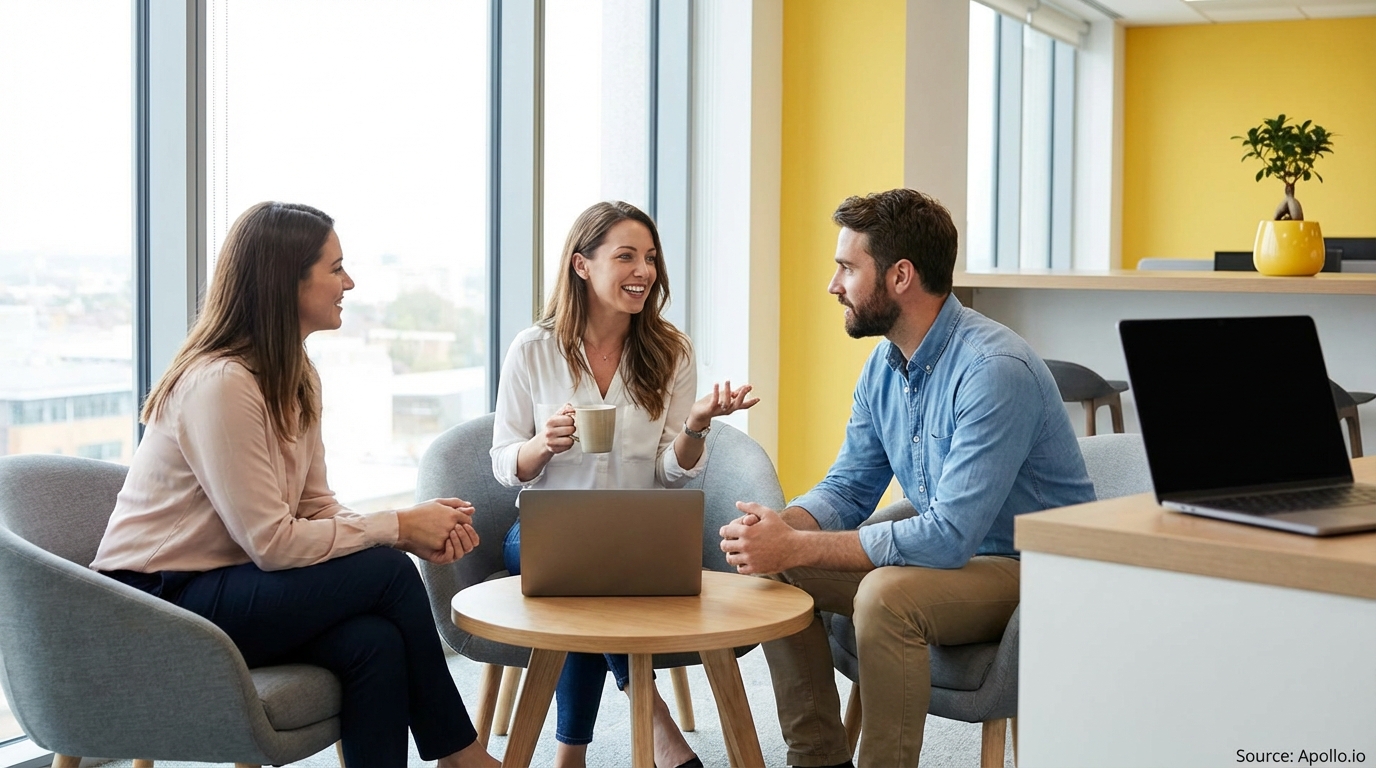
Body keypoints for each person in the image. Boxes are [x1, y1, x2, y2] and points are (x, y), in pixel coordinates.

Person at [90, 202, 499, 768]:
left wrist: (402, 530)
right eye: (335, 268)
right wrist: (398, 531)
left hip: (227, 584)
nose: (348, 283)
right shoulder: (221, 383)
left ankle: (456, 756)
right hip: (153, 603)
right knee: (388, 573)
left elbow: (314, 506)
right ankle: (461, 753)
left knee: (372, 644)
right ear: (287, 280)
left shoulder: (295, 374)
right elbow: (273, 543)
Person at [718, 188, 1095, 768]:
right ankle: (818, 758)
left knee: (886, 598)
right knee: (782, 566)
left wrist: (798, 540)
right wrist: (780, 530)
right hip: (957, 560)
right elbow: (849, 487)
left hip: (1034, 569)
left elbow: (948, 537)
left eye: (847, 267)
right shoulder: (884, 365)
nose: (833, 284)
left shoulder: (994, 371)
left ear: (899, 276)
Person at [491, 200, 758, 768]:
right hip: (546, 530)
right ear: (582, 265)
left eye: (651, 258)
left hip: (636, 534)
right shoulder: (532, 349)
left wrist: (695, 426)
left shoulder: (670, 352)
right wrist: (543, 444)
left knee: (591, 583)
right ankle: (653, 722)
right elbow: (501, 460)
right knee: (586, 577)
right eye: (627, 257)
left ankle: (570, 756)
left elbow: (670, 472)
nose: (644, 271)